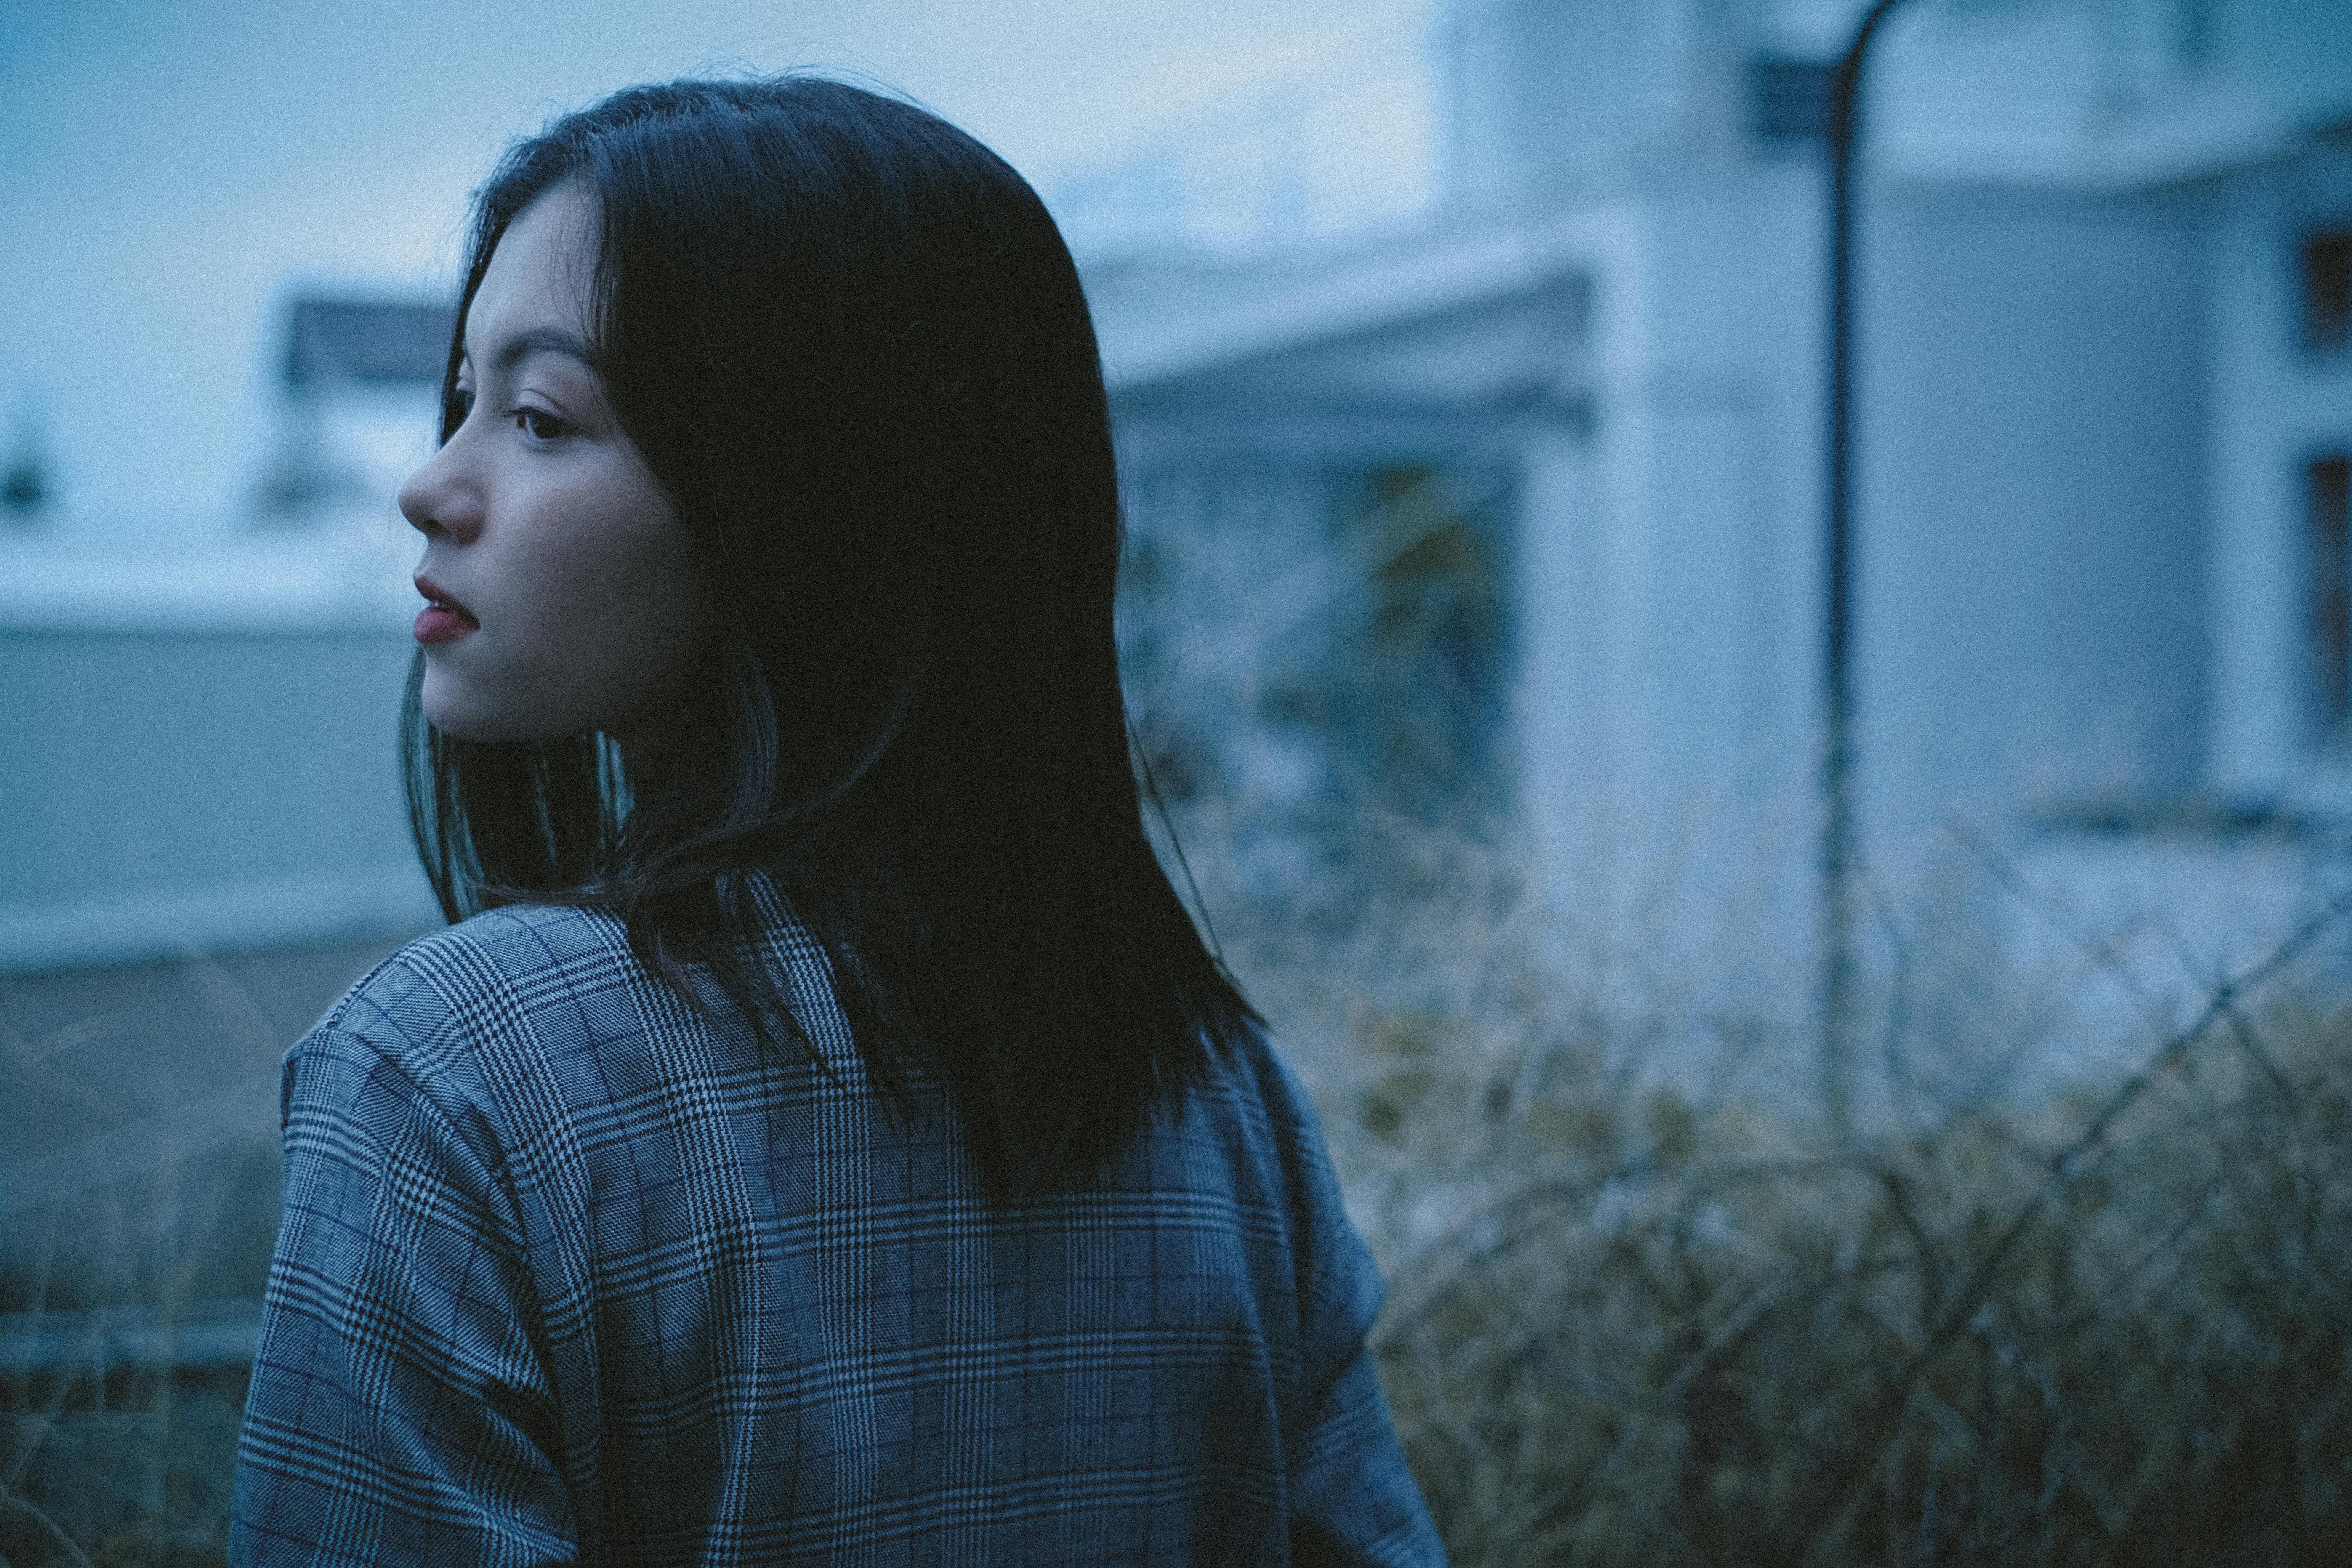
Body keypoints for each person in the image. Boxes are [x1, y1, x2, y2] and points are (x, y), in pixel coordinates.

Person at [227, 76, 1445, 1565]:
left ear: (812, 502)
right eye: (461, 400)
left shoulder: (454, 1079)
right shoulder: (1213, 1089)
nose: (431, 484)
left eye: (540, 417)